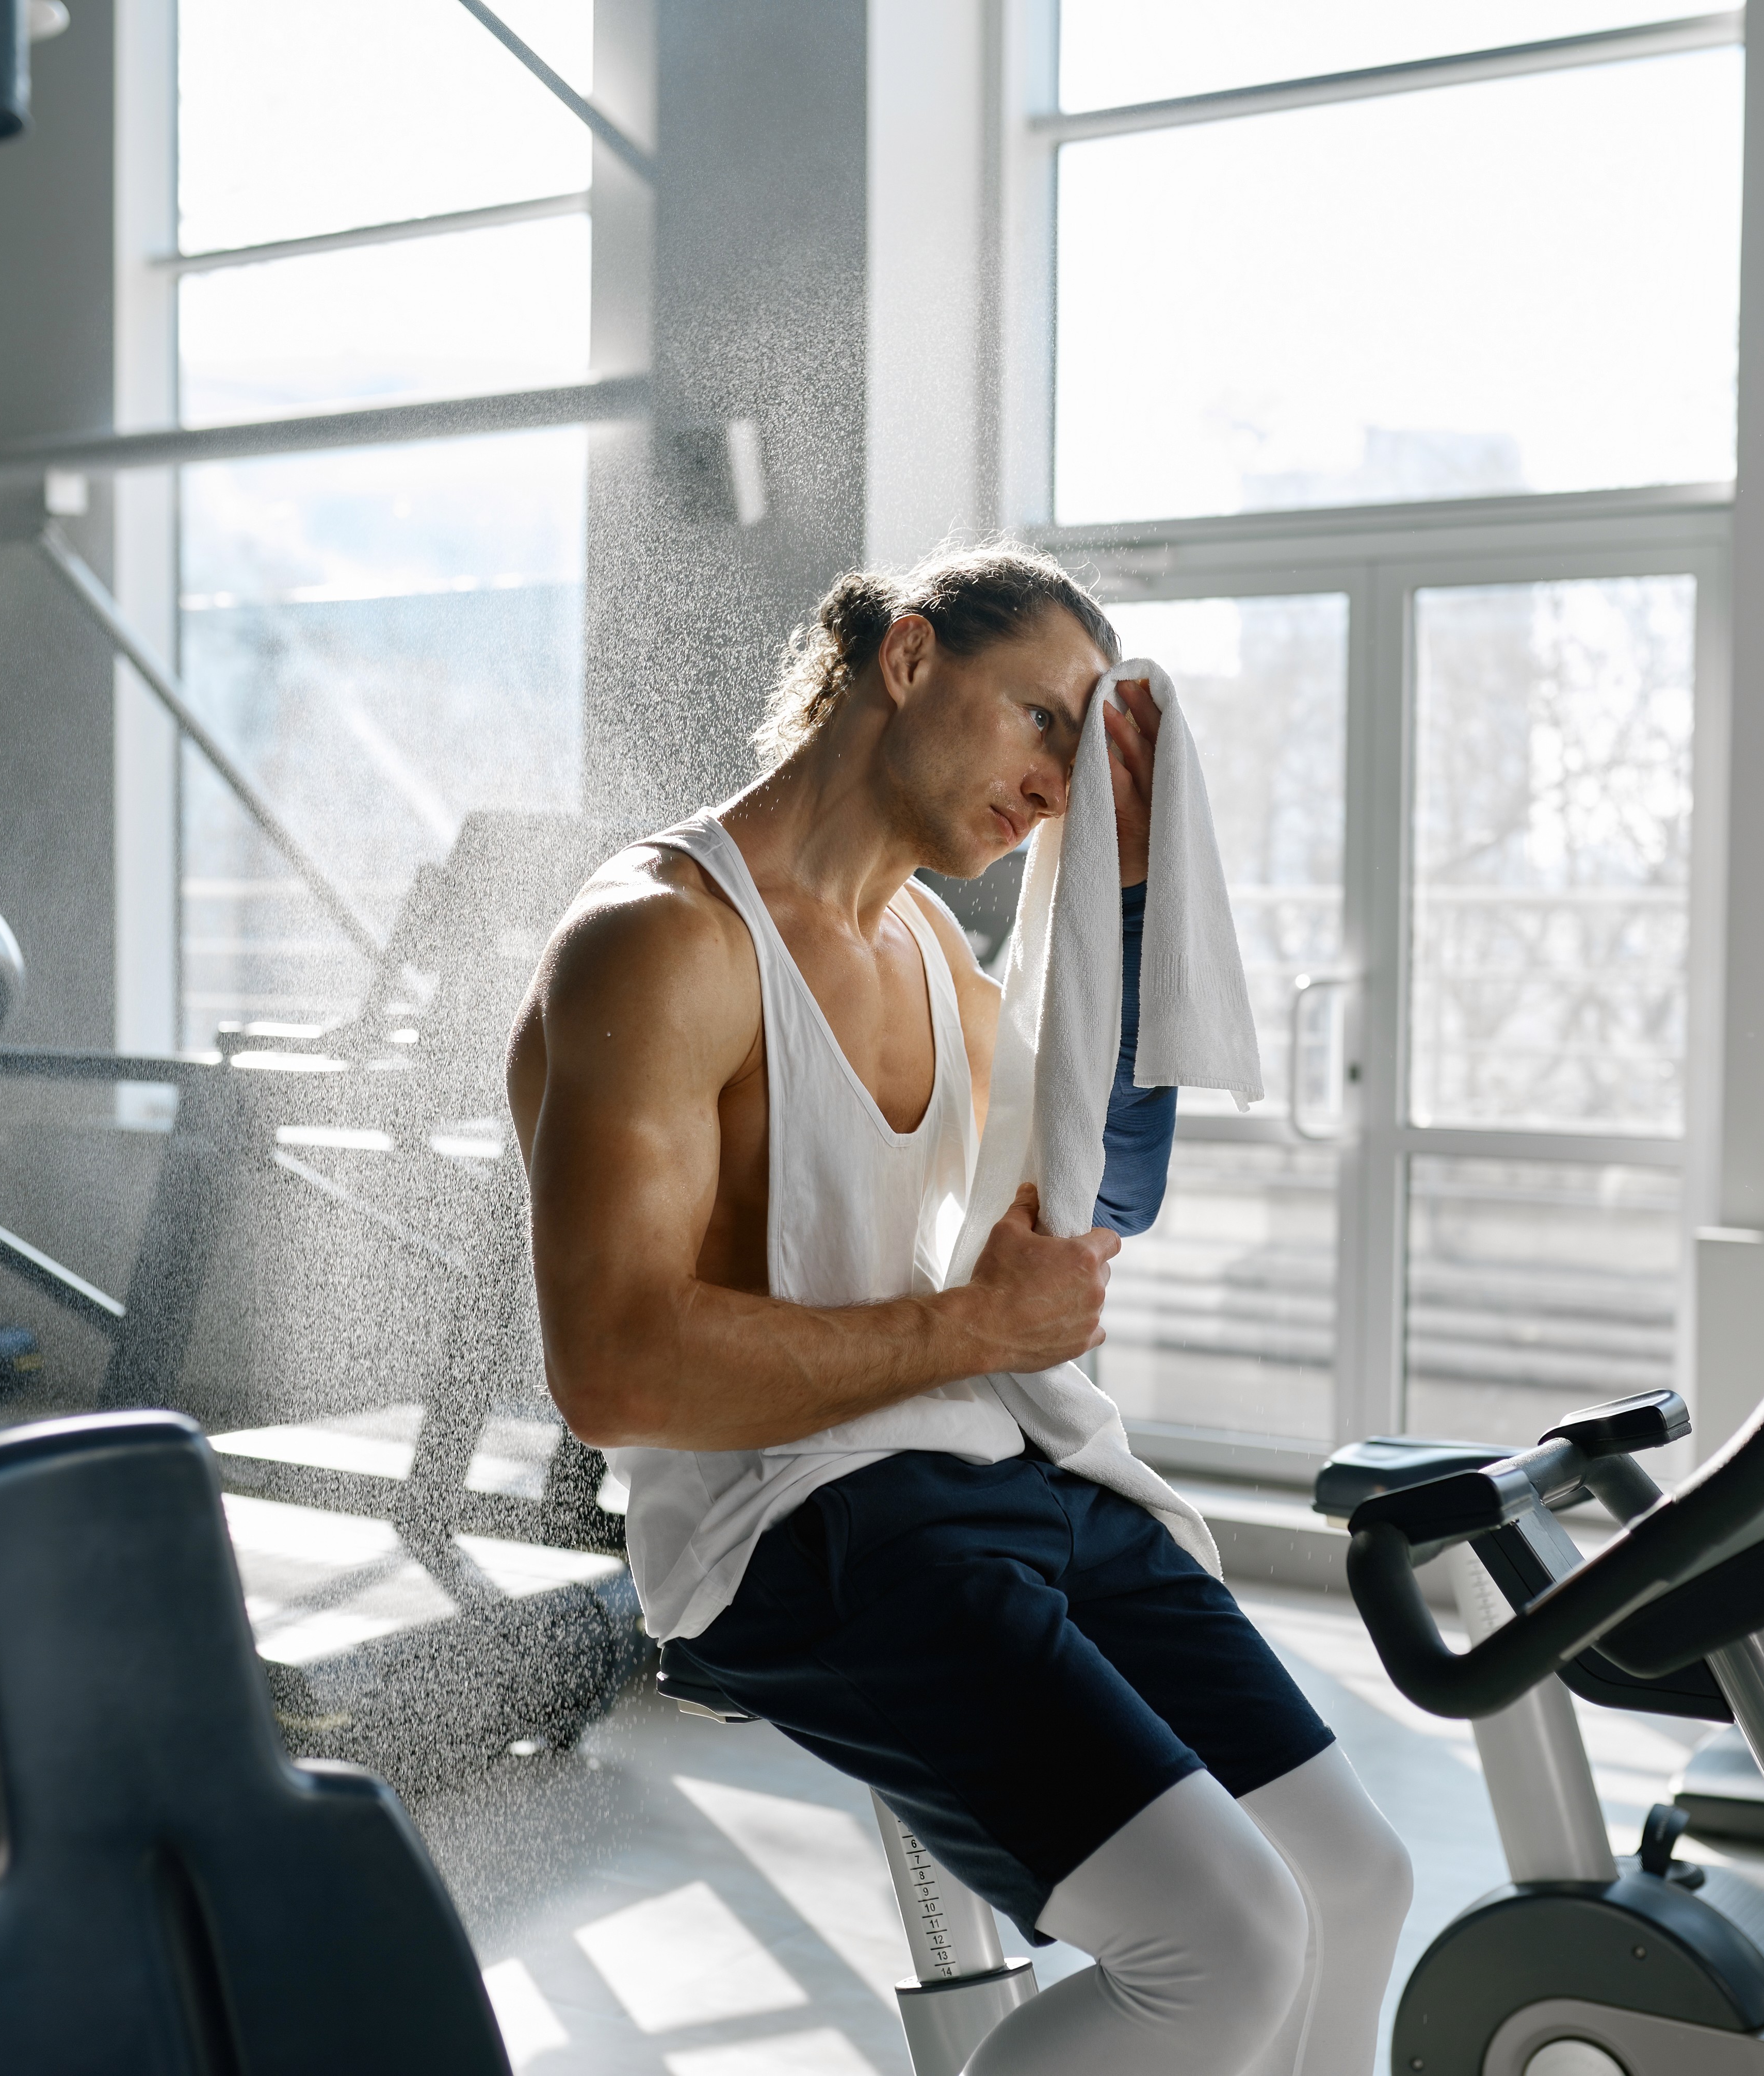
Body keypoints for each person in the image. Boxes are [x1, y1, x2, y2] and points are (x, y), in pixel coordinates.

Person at [507, 545, 1412, 2076]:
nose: (1059, 780)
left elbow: (1075, 1189)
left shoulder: (933, 953)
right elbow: (614, 1372)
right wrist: (982, 1334)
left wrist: (1130, 890)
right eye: (1042, 721)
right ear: (910, 659)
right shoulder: (664, 938)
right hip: (798, 1524)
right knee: (1224, 1943)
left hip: (999, 1470)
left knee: (1352, 1880)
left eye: (1085, 743)